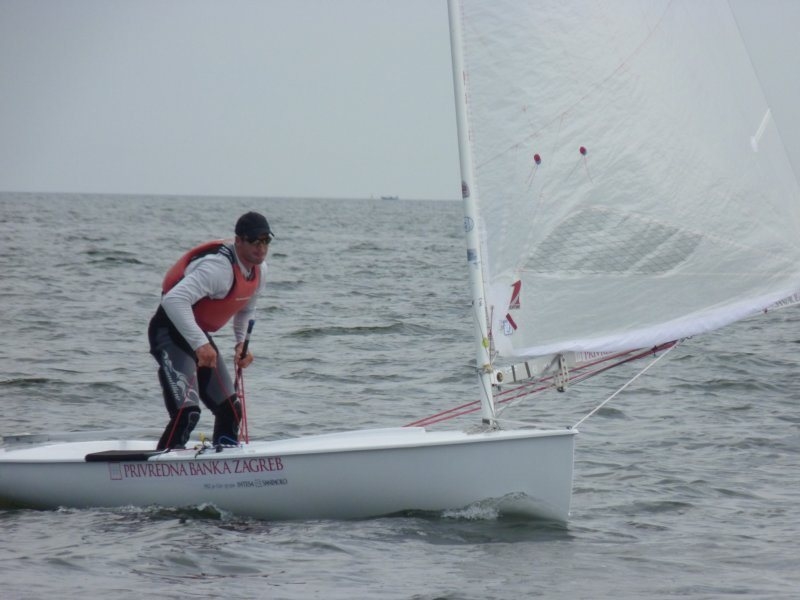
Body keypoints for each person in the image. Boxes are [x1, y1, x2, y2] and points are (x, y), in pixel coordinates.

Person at [148, 211, 272, 450]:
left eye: (266, 240)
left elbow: (247, 308)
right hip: (168, 332)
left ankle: (224, 463)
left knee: (231, 410)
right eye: (254, 240)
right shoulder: (218, 268)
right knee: (187, 413)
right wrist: (200, 344)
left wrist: (240, 343)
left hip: (196, 335)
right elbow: (173, 300)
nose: (261, 247)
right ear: (238, 241)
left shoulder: (260, 270)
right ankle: (162, 466)